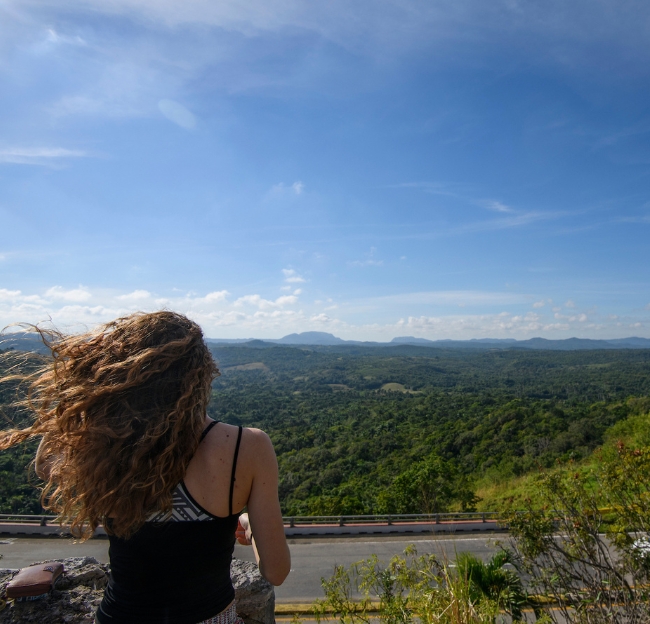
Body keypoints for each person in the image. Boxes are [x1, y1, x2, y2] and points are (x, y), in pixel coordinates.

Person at [0, 311, 290, 624]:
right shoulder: (247, 447)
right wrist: (248, 524)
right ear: (203, 374)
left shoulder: (107, 450)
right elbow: (275, 570)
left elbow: (46, 466)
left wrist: (76, 403)